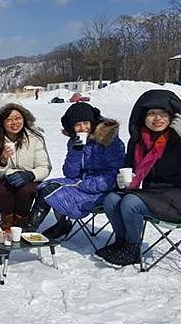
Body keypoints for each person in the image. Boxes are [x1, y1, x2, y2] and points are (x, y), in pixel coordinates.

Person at [97, 90, 181, 266]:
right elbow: (129, 169)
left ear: (173, 116)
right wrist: (122, 181)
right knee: (111, 199)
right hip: (153, 194)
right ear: (143, 117)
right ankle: (122, 242)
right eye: (151, 113)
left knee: (130, 202)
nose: (157, 118)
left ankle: (132, 249)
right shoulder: (138, 140)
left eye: (163, 113)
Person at [28, 102, 125, 238]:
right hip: (81, 183)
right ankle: (51, 226)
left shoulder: (109, 140)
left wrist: (88, 184)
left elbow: (116, 173)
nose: (83, 128)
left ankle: (30, 230)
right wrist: (75, 152)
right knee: (47, 187)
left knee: (56, 193)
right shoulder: (75, 141)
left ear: (92, 122)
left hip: (105, 189)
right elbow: (70, 173)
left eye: (86, 123)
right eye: (77, 125)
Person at [0, 97, 51, 231]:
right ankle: (7, 222)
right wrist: (3, 161)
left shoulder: (34, 138)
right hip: (4, 179)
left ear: (24, 118)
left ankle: (21, 222)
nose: (14, 123)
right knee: (2, 188)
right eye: (9, 119)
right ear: (2, 122)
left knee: (26, 189)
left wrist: (30, 175)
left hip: (29, 179)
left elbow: (45, 167)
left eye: (18, 118)